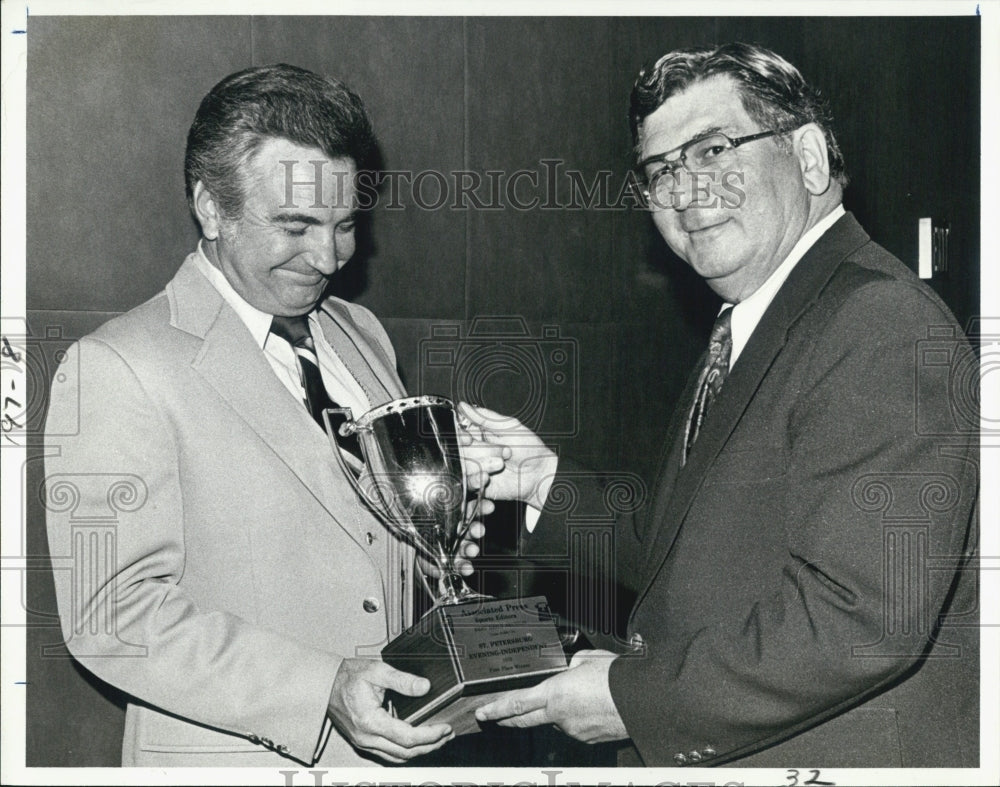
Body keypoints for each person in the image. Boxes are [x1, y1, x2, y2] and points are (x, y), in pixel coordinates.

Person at [466, 43, 979, 768]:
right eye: (661, 170)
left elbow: (862, 617)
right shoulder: (755, 321)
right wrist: (542, 479)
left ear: (807, 158)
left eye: (712, 149)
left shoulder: (880, 322)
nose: (683, 190)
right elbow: (693, 553)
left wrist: (630, 697)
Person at [43, 63, 499, 767]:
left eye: (345, 224)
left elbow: (359, 552)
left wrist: (436, 556)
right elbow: (112, 615)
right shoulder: (115, 367)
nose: (328, 257)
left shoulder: (360, 333)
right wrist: (322, 689)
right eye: (295, 225)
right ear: (211, 207)